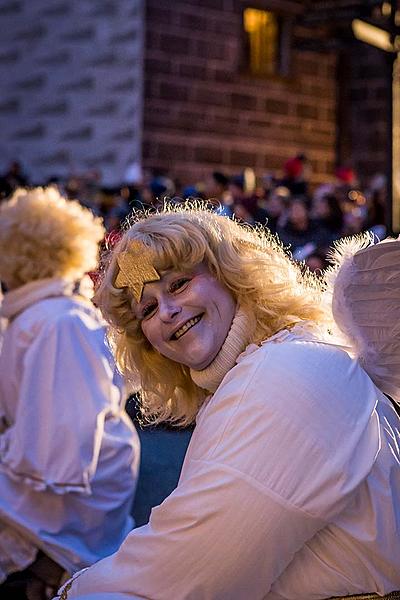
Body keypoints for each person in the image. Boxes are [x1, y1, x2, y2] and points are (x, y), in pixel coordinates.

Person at [59, 203, 400, 600]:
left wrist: (73, 592)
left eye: (179, 284)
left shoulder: (286, 370)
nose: (168, 311)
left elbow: (185, 572)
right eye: (148, 309)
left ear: (230, 275)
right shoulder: (274, 363)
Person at [0, 187, 140, 599]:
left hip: (73, 496)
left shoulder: (57, 320)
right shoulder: (39, 314)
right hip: (60, 481)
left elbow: (59, 453)